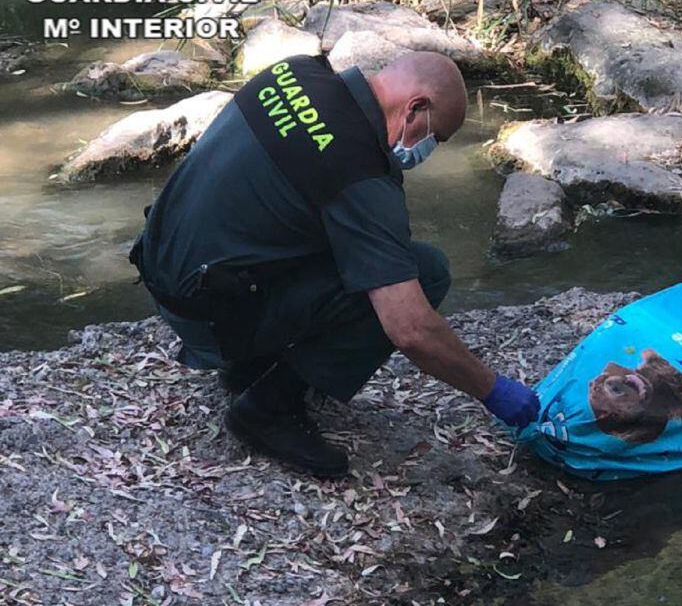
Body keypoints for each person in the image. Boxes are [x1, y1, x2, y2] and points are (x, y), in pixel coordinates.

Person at [129, 50, 540, 478]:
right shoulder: (359, 169)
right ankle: (268, 409)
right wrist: (494, 390)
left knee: (344, 239)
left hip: (164, 266)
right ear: (415, 109)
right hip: (206, 317)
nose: (428, 151)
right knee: (425, 270)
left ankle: (248, 367)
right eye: (436, 138)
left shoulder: (295, 70)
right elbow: (411, 328)